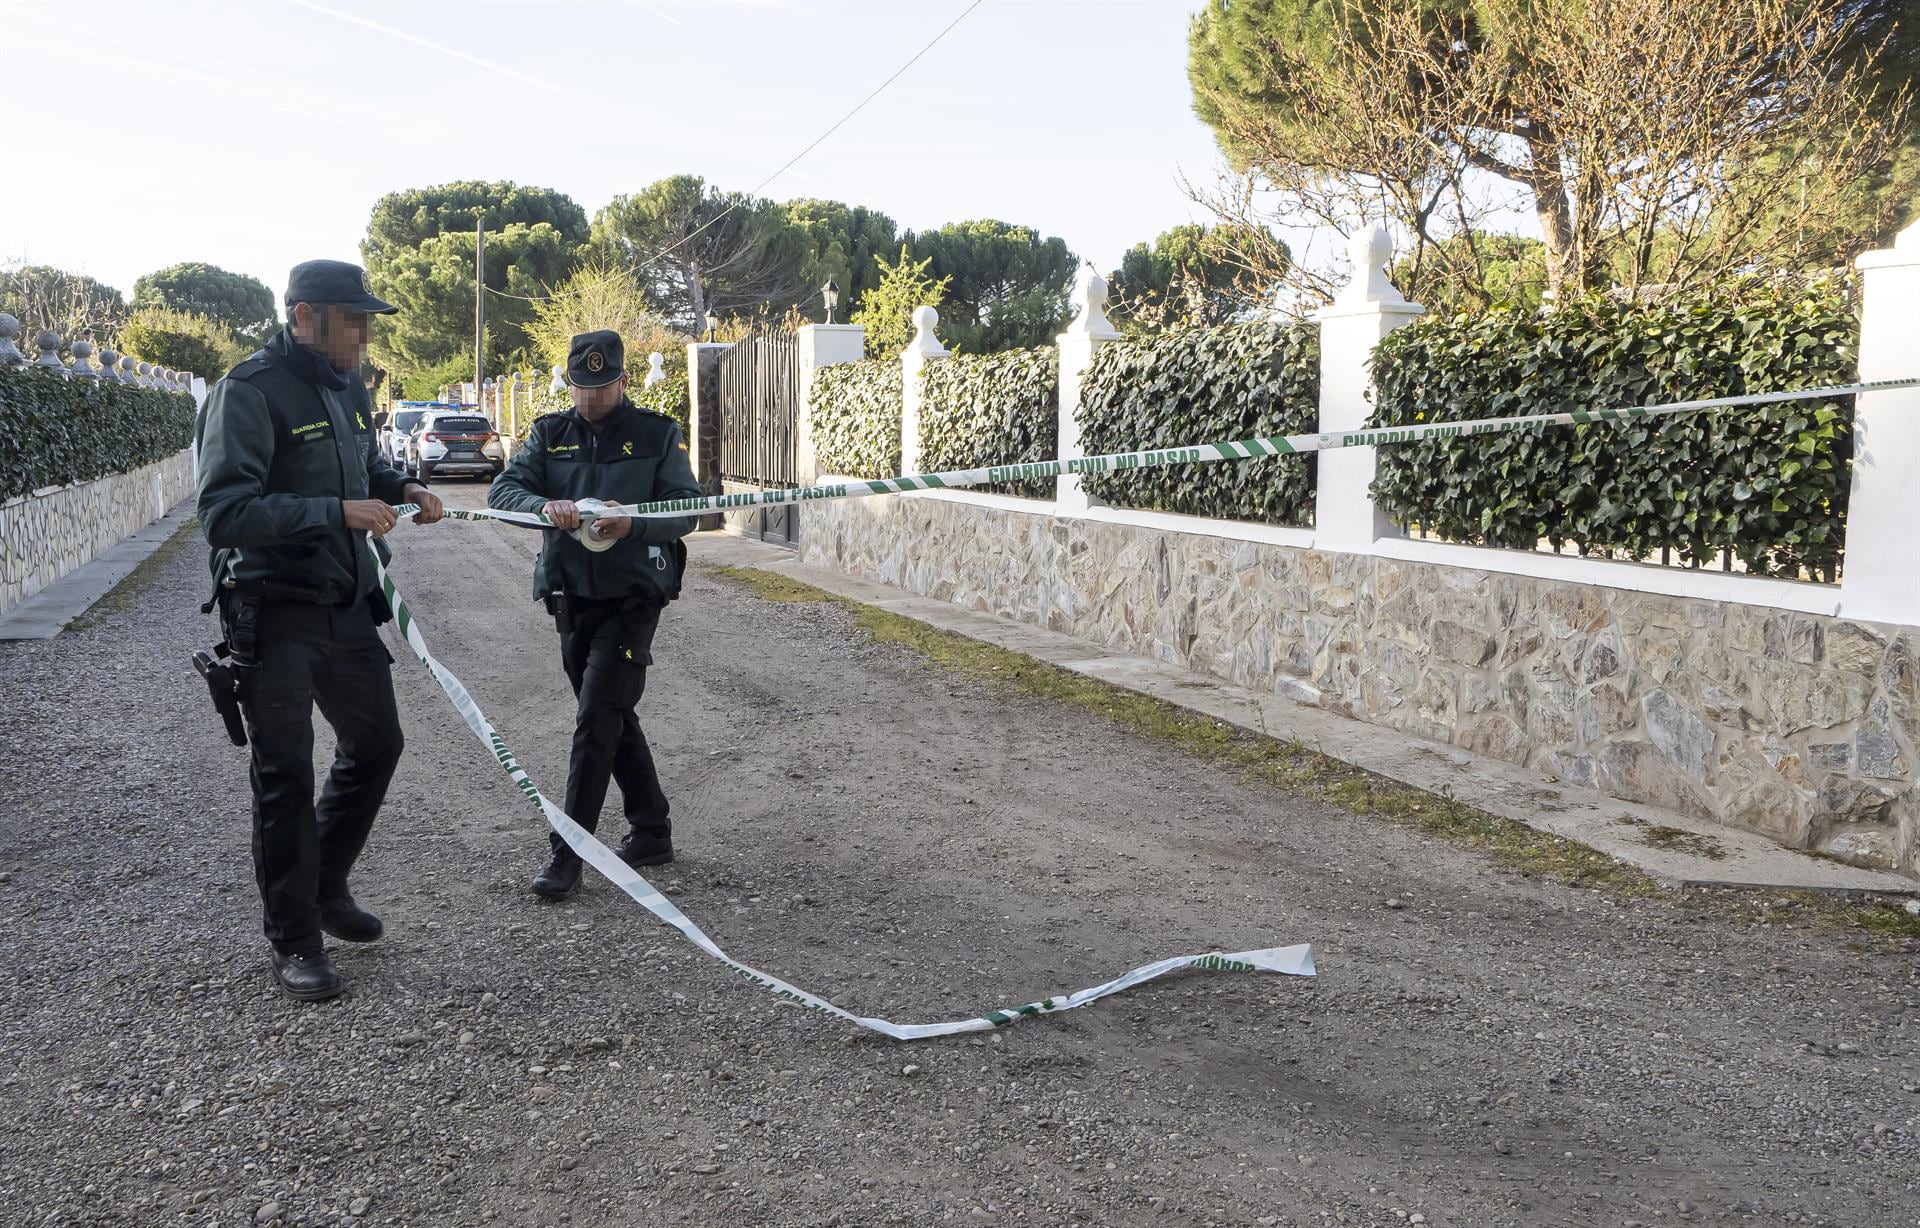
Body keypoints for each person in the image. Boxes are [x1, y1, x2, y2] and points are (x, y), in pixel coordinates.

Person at [195, 259, 445, 1001]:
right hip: (271, 610)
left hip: (343, 601)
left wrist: (402, 488)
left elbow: (364, 465)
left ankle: (326, 884)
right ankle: (296, 940)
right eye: (353, 318)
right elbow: (223, 514)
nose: (365, 332)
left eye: (367, 320)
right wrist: (334, 512)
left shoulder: (346, 387)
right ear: (304, 316)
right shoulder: (249, 392)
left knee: (376, 744)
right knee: (284, 777)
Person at [487, 329, 700, 899]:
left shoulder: (657, 433)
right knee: (608, 713)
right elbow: (503, 494)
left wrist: (634, 521)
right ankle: (651, 829)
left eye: (603, 388)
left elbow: (689, 510)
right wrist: (543, 505)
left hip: (633, 597)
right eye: (582, 388)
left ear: (624, 382)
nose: (592, 399)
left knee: (594, 719)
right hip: (570, 596)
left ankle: (568, 853)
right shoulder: (549, 433)